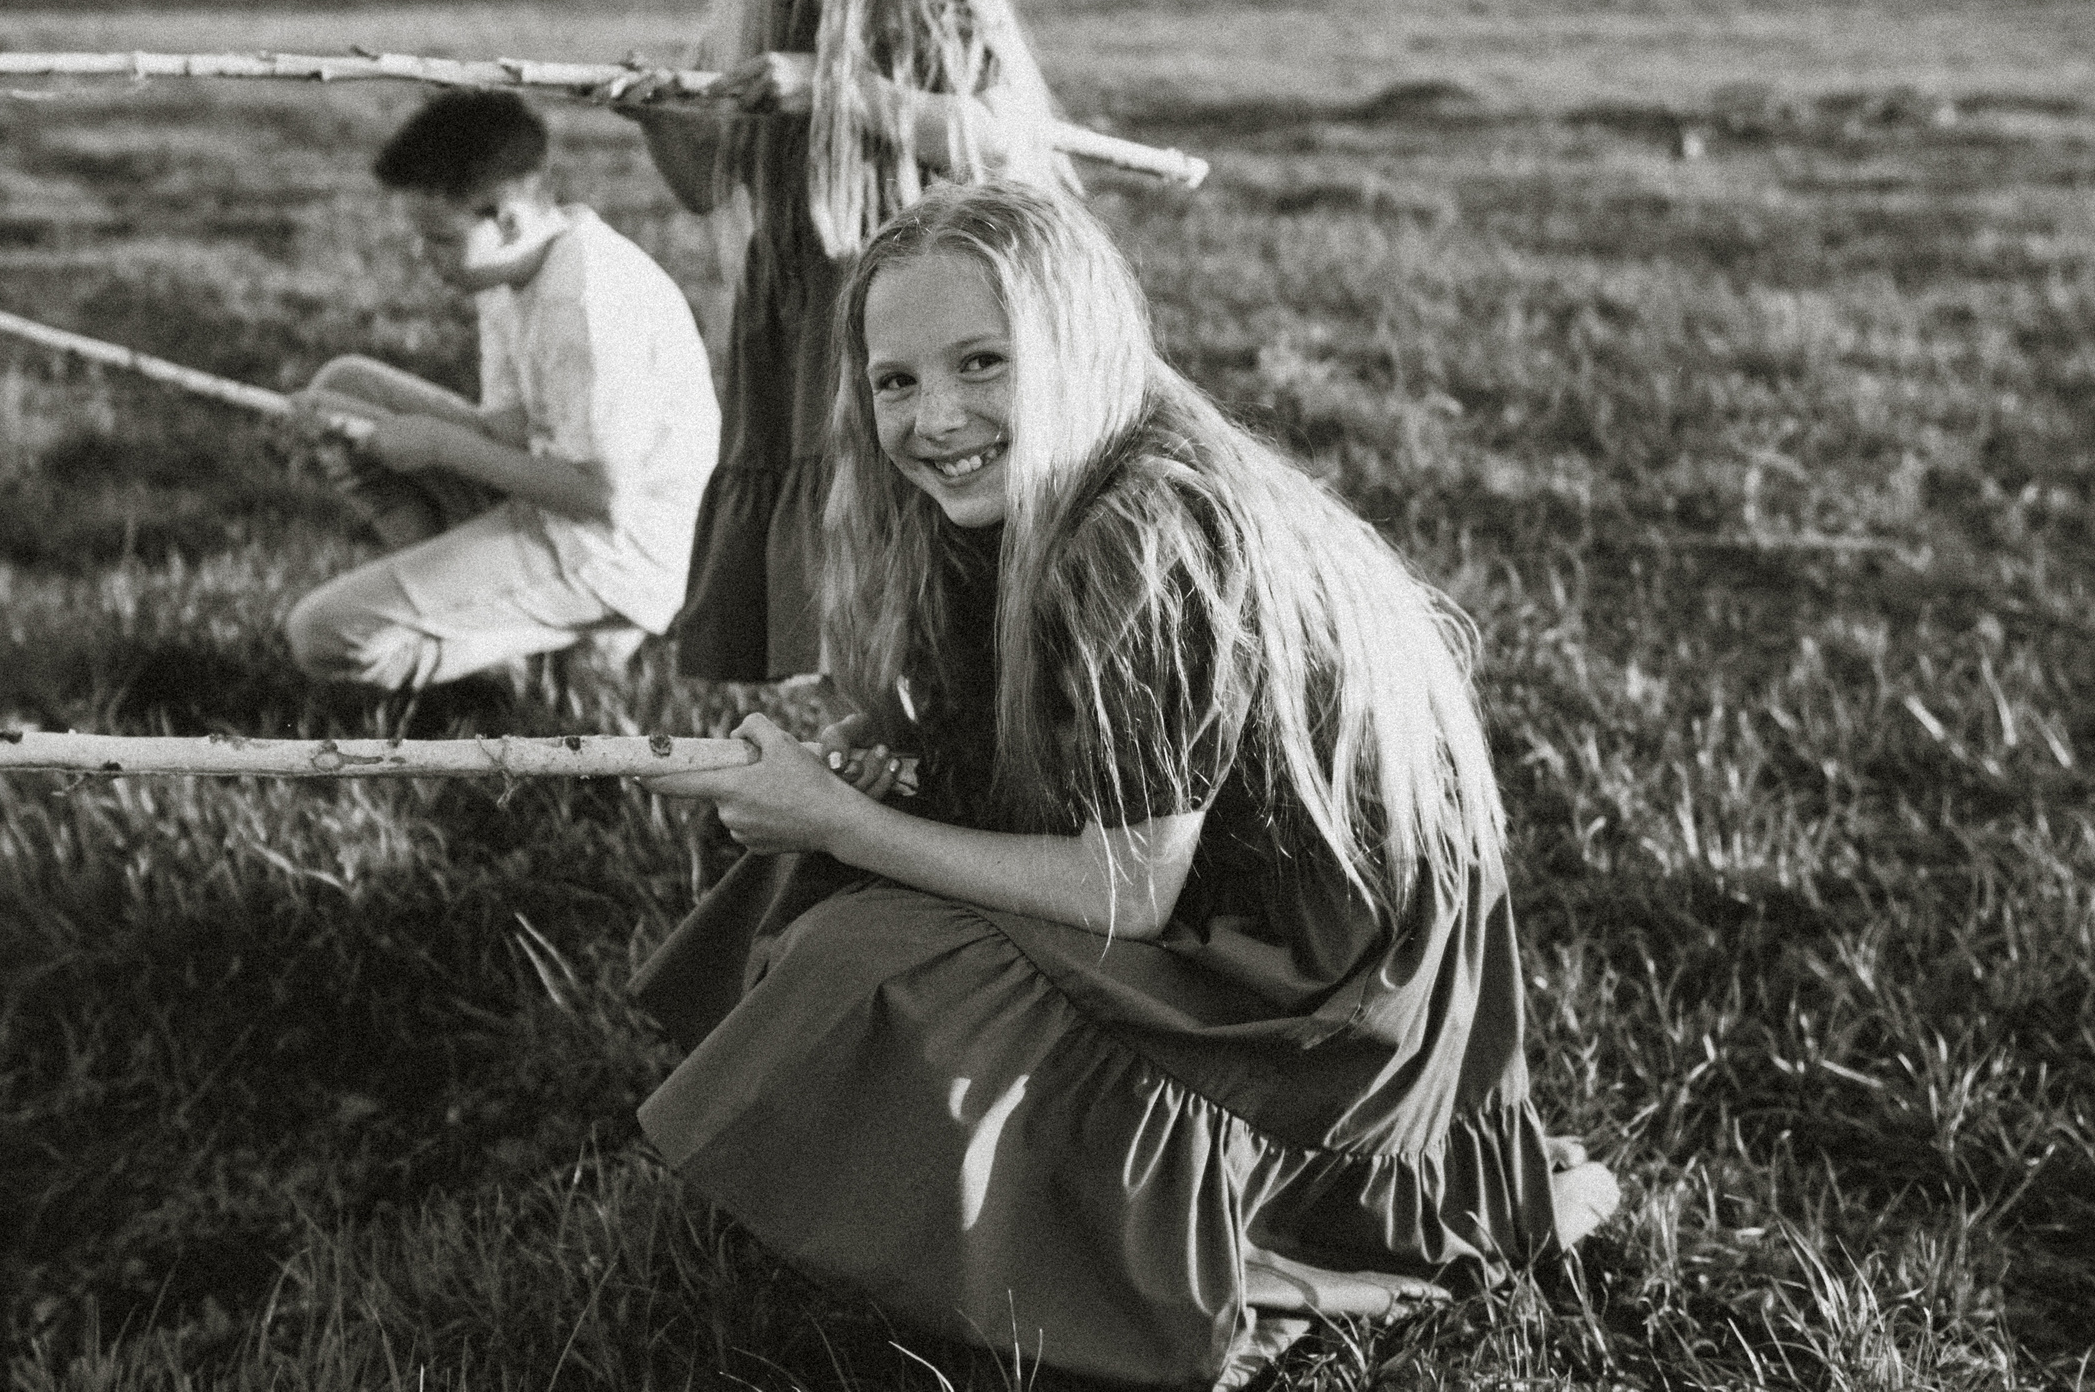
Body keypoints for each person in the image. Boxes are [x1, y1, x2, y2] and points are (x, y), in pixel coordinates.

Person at [636, 181, 1618, 1387]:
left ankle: (1273, 1243)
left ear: (1079, 345)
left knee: (865, 948)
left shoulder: (1139, 534)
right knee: (825, 874)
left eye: (982, 363)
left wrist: (846, 817)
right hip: (1235, 917)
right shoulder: (1027, 498)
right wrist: (867, 792)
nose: (935, 417)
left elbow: (1130, 889)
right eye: (896, 380)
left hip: (1313, 1003)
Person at [616, 0, 1072, 682]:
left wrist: (837, 90)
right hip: (795, 315)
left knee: (887, 525)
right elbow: (705, 187)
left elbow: (1001, 140)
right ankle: (840, 750)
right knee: (818, 562)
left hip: (894, 309)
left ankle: (916, 742)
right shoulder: (770, 4)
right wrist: (662, 118)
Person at [283, 90, 719, 692]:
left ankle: (525, 660)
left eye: (438, 239)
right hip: (560, 501)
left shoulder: (587, 304)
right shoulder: (512, 270)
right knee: (342, 387)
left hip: (619, 551)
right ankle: (503, 615)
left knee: (322, 635)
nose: (422, 256)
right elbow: (511, 432)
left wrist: (438, 444)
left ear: (509, 220)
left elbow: (601, 497)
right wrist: (352, 425)